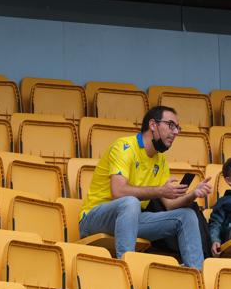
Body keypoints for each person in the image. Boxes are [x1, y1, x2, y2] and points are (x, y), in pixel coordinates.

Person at [78, 106, 211, 270]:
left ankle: (195, 274)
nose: (176, 132)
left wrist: (192, 195)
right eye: (171, 125)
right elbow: (118, 192)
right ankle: (127, 270)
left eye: (177, 127)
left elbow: (169, 205)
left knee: (187, 215)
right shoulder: (124, 147)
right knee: (130, 203)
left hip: (131, 220)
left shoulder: (160, 160)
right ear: (153, 125)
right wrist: (159, 190)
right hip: (94, 218)